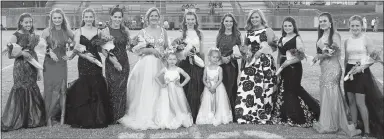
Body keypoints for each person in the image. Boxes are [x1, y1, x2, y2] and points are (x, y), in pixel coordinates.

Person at [118, 7, 169, 130]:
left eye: (156, 15)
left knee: (161, 88)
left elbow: (167, 47)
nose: (154, 18)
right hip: (147, 64)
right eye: (151, 16)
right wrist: (150, 50)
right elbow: (136, 50)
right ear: (147, 18)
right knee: (147, 88)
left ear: (159, 17)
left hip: (161, 64)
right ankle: (146, 114)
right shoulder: (142, 32)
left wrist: (166, 54)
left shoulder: (164, 31)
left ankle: (160, 114)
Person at [312, 12, 361, 137]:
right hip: (324, 68)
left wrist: (319, 55)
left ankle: (334, 123)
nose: (322, 23)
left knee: (332, 92)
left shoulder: (335, 35)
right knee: (325, 92)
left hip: (333, 68)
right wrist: (319, 57)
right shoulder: (321, 35)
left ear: (330, 23)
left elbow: (334, 52)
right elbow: (324, 52)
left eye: (325, 21)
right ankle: (327, 121)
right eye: (321, 21)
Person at [65, 8, 112, 129]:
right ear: (83, 18)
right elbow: (76, 49)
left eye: (91, 17)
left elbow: (102, 48)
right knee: (85, 86)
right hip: (84, 62)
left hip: (96, 62)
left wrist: (110, 57)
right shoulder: (78, 31)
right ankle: (85, 117)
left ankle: (98, 116)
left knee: (97, 85)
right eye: (86, 17)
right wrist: (78, 56)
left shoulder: (99, 31)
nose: (89, 19)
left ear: (94, 18)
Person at [1, 13, 46, 132]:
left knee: (32, 87)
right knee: (20, 88)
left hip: (31, 66)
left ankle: (31, 118)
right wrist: (22, 53)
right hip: (21, 66)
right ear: (20, 22)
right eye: (26, 22)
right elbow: (11, 55)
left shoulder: (32, 35)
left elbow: (34, 53)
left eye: (30, 22)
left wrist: (38, 70)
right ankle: (20, 119)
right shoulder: (15, 35)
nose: (28, 24)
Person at [273, 16, 320, 127]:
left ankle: (312, 111)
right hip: (283, 68)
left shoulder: (297, 39)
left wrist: (288, 63)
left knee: (294, 89)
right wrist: (278, 69)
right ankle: (288, 115)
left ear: (294, 26)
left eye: (290, 25)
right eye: (285, 26)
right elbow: (279, 55)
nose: (287, 28)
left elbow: (301, 56)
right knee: (285, 90)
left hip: (294, 68)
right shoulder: (281, 38)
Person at [235, 9, 278, 125]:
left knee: (264, 88)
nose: (254, 20)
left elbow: (274, 48)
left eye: (256, 17)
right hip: (251, 63)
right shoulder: (248, 32)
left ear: (261, 18)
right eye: (252, 18)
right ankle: (248, 113)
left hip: (265, 63)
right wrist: (246, 54)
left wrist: (261, 51)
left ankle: (263, 114)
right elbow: (245, 49)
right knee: (247, 87)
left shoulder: (267, 30)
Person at [343, 15, 384, 138]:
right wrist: (345, 74)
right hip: (349, 72)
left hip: (362, 72)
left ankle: (366, 131)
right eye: (352, 25)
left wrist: (362, 68)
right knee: (351, 101)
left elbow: (373, 58)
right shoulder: (347, 41)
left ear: (361, 26)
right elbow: (346, 59)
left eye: (357, 25)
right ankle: (355, 126)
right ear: (349, 26)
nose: (355, 28)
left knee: (360, 102)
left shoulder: (366, 39)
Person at [41, 8, 74, 126]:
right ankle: (48, 117)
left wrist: (71, 54)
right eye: (54, 18)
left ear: (62, 18)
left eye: (59, 18)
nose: (57, 20)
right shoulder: (46, 32)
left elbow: (78, 43)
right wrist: (49, 51)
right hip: (49, 64)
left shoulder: (67, 31)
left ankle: (62, 117)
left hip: (62, 63)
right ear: (51, 19)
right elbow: (39, 48)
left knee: (62, 90)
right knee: (49, 89)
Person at [172, 11, 205, 123]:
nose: (190, 21)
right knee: (184, 87)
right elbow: (177, 53)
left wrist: (202, 64)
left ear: (195, 21)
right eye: (188, 19)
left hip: (197, 63)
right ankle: (184, 113)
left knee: (196, 88)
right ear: (185, 21)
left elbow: (202, 50)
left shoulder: (200, 33)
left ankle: (195, 113)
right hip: (185, 64)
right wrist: (185, 53)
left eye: (192, 19)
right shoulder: (181, 34)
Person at [100, 6, 130, 124]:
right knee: (113, 88)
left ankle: (121, 116)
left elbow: (128, 46)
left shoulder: (125, 30)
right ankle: (112, 116)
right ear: (111, 17)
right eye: (115, 17)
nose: (117, 19)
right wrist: (115, 62)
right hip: (112, 63)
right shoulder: (105, 31)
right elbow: (103, 50)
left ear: (122, 18)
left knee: (122, 88)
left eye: (119, 17)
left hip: (125, 62)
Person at [154, 52, 193, 129]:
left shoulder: (178, 69)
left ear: (176, 60)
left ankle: (179, 116)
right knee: (167, 104)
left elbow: (188, 77)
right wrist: (162, 85)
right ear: (167, 60)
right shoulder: (164, 70)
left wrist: (182, 84)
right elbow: (156, 77)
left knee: (178, 103)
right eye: (170, 59)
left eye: (174, 59)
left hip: (177, 90)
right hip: (167, 90)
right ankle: (168, 117)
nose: (172, 61)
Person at [196, 48, 233, 126]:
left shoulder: (219, 68)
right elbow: (204, 79)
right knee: (209, 101)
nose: (215, 59)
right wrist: (208, 86)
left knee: (218, 100)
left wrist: (215, 86)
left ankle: (219, 115)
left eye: (217, 58)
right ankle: (209, 115)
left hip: (218, 87)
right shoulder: (206, 68)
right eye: (214, 57)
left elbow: (220, 79)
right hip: (208, 87)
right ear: (209, 57)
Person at [215, 13, 241, 122]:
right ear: (223, 23)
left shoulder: (237, 35)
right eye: (226, 21)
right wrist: (221, 58)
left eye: (230, 21)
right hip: (221, 65)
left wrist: (229, 57)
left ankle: (232, 113)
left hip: (232, 65)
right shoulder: (220, 34)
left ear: (233, 23)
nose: (228, 23)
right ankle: (222, 111)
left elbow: (239, 52)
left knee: (231, 87)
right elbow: (217, 50)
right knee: (221, 87)